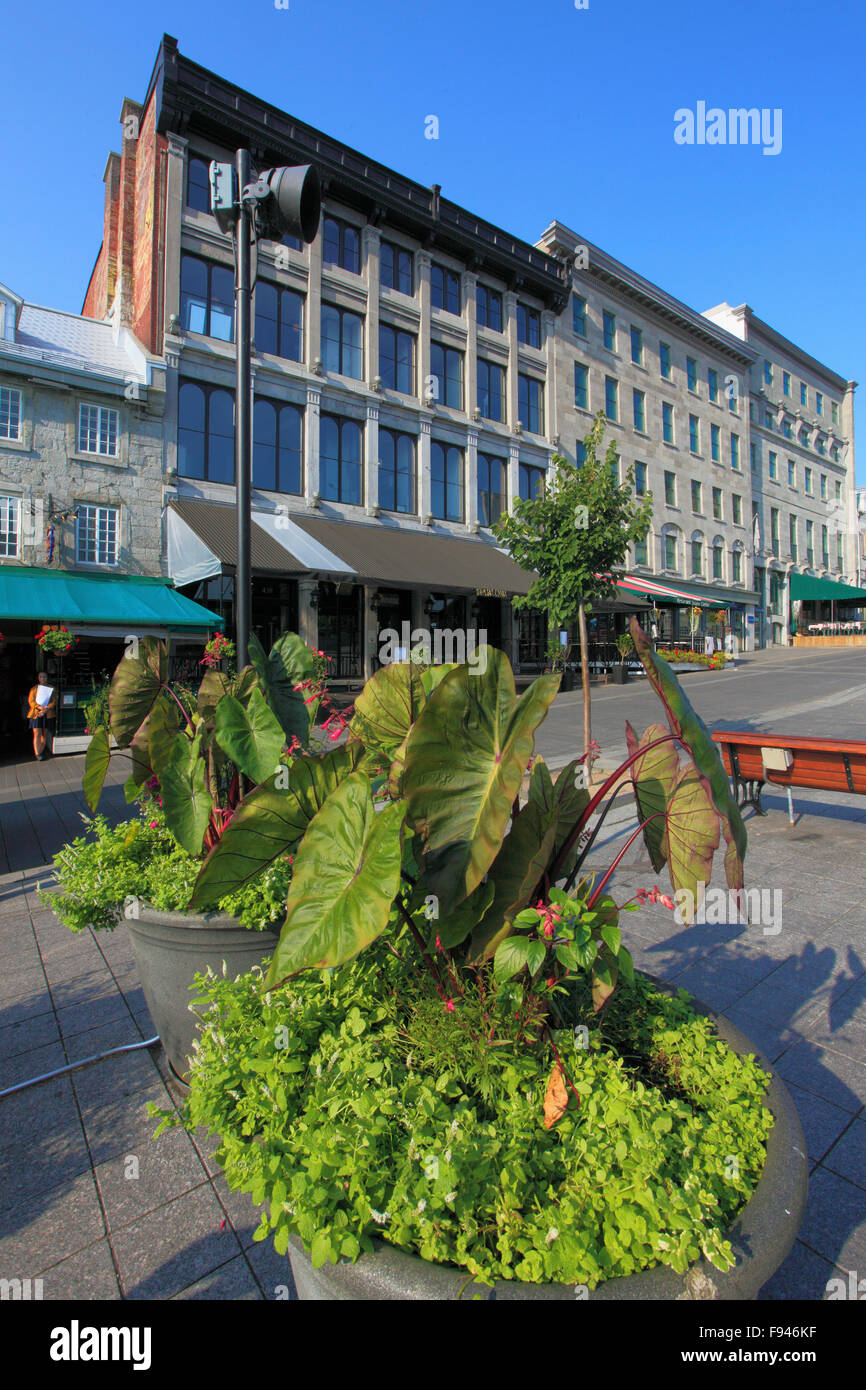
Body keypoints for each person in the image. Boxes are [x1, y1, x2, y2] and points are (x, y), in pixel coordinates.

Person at [27, 672, 56, 760]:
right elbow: (31, 701)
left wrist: (47, 708)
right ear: (38, 678)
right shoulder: (34, 689)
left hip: (47, 713)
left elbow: (54, 701)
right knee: (37, 733)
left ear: (47, 678)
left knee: (45, 733)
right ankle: (37, 753)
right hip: (36, 713)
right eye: (41, 677)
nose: (43, 678)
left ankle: (41, 751)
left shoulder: (52, 688)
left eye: (44, 677)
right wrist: (39, 707)